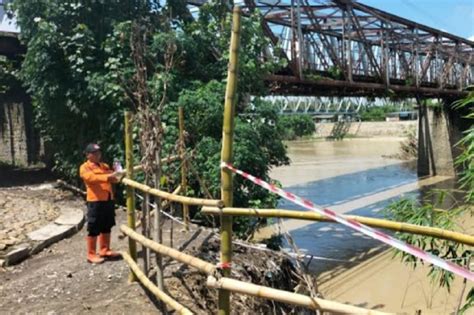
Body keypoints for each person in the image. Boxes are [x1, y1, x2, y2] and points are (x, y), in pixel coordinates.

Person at [79, 143, 123, 264]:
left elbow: (114, 178)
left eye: (99, 153)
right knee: (94, 226)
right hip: (95, 200)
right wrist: (108, 177)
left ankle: (105, 249)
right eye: (94, 153)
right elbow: (91, 178)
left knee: (107, 225)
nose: (98, 155)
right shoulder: (84, 167)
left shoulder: (104, 166)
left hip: (108, 199)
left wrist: (117, 174)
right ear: (88, 155)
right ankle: (91, 254)